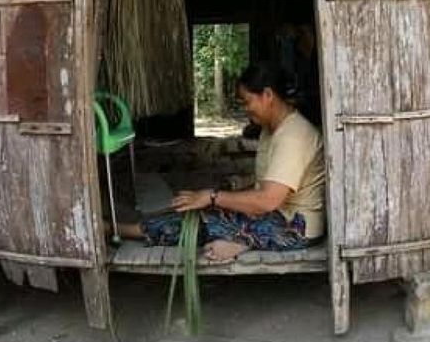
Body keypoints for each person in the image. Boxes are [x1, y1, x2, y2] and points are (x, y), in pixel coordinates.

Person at [115, 62, 326, 262]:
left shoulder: (293, 136)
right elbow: (271, 185)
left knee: (202, 221)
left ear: (268, 95)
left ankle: (119, 229)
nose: (245, 108)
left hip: (295, 228)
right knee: (202, 212)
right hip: (277, 216)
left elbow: (267, 200)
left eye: (247, 101)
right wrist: (231, 189)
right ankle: (243, 240)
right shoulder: (272, 129)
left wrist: (212, 196)